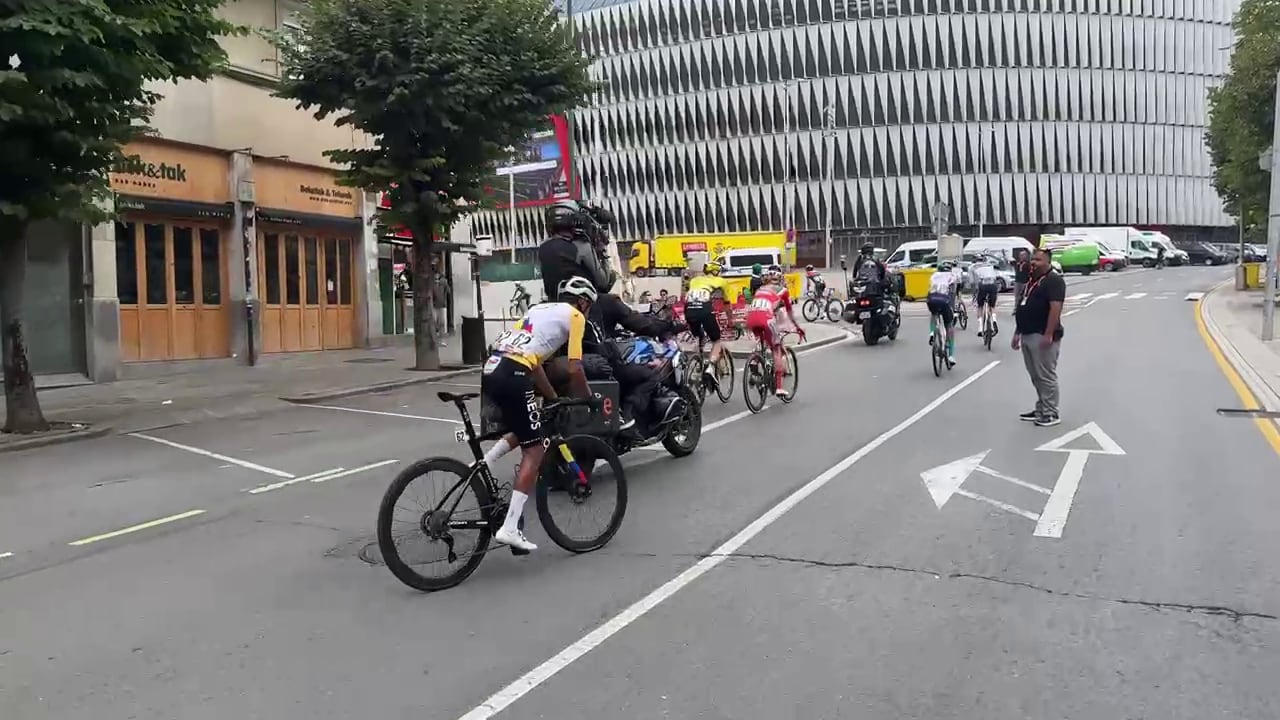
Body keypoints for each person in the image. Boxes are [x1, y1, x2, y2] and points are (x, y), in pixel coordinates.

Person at [480, 276, 598, 552]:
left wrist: (554, 398)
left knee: (526, 425)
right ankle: (510, 528)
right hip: (513, 372)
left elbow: (535, 365)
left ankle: (484, 465)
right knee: (535, 450)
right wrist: (588, 399)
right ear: (583, 302)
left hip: (494, 367)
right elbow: (574, 368)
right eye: (589, 306)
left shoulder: (538, 310)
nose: (587, 311)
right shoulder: (576, 316)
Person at [1012, 249, 1065, 427]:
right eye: (1033, 259)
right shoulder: (1031, 279)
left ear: (1048, 262)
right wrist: (1017, 332)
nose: (1033, 262)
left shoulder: (1054, 280)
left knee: (1045, 375)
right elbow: (1023, 305)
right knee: (1035, 375)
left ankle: (1051, 412)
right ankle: (1042, 407)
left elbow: (1055, 308)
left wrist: (1049, 333)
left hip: (1042, 334)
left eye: (1038, 260)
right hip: (1027, 332)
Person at [745, 265, 806, 398]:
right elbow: (789, 312)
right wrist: (798, 327)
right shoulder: (783, 290)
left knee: (761, 342)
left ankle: (755, 364)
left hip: (750, 318)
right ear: (780, 278)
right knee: (776, 349)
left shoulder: (760, 289)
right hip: (766, 319)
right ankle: (779, 387)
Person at [538, 199, 616, 299]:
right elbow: (603, 282)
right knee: (614, 302)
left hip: (552, 301)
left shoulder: (544, 247)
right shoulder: (582, 246)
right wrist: (602, 252)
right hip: (579, 305)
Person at [684, 261, 731, 388]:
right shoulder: (721, 281)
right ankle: (710, 366)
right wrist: (731, 321)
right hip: (704, 309)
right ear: (717, 271)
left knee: (699, 335)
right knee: (716, 340)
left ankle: (698, 361)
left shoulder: (695, 280)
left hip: (689, 309)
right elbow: (727, 303)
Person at [926, 261, 960, 366]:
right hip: (944, 300)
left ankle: (932, 332)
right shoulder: (952, 276)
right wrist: (954, 310)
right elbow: (953, 294)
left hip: (932, 299)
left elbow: (929, 289)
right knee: (949, 325)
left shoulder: (933, 276)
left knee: (934, 313)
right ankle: (951, 356)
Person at [969, 255, 1001, 337]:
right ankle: (994, 320)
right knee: (992, 306)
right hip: (993, 284)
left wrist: (974, 295)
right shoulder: (989, 265)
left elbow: (972, 283)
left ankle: (980, 329)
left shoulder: (972, 267)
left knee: (980, 306)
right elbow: (995, 276)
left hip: (982, 285)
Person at [1012, 248, 1031, 314]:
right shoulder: (1018, 263)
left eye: (1023, 255)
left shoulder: (1028, 264)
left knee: (1024, 296)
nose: (1022, 257)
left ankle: (1023, 309)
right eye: (1021, 255)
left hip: (1024, 282)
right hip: (1017, 281)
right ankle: (1016, 309)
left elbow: (1030, 273)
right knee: (1017, 296)